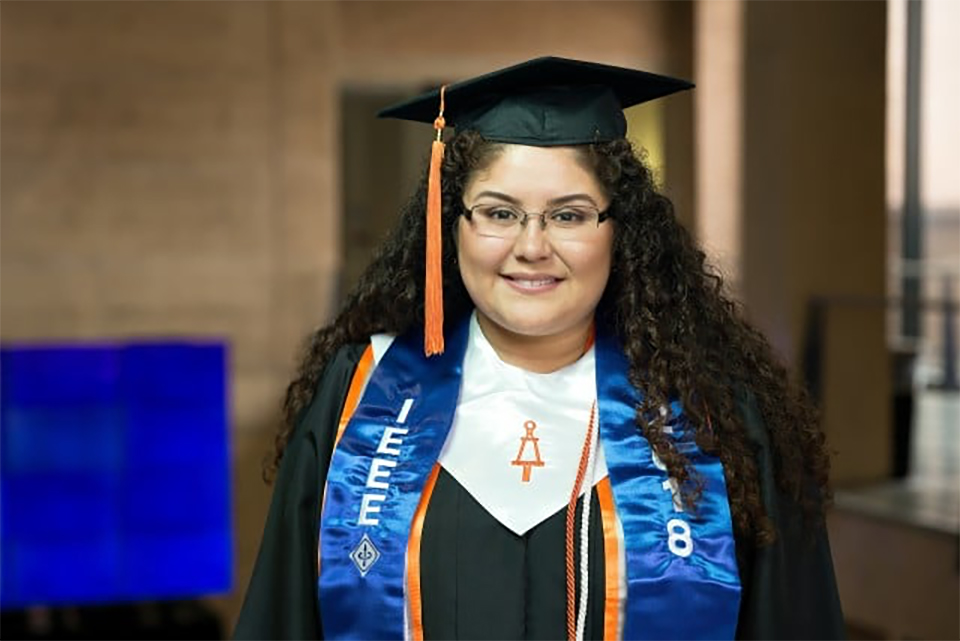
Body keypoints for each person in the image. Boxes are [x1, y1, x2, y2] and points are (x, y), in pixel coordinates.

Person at [234, 57, 844, 640]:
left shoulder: (713, 417)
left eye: (570, 216)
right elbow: (283, 619)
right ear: (453, 224)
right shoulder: (360, 394)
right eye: (499, 212)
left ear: (619, 230)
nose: (531, 247)